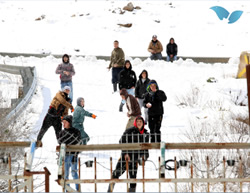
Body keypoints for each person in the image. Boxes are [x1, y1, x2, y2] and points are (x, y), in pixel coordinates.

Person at [107, 116, 149, 192]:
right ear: (135, 122)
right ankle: (109, 190)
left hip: (135, 160)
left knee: (133, 179)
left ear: (143, 123)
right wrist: (125, 153)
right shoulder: (129, 131)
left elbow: (146, 148)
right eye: (138, 121)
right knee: (116, 174)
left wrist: (144, 157)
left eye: (141, 122)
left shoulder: (146, 134)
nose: (139, 123)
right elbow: (121, 142)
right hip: (125, 158)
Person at [58, 115, 81, 192]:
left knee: (74, 173)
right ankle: (67, 190)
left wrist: (75, 154)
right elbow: (60, 145)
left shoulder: (76, 132)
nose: (63, 124)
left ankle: (78, 189)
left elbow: (79, 144)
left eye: (65, 122)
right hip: (65, 156)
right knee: (66, 174)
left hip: (73, 155)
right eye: (63, 122)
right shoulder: (61, 133)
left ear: (69, 123)